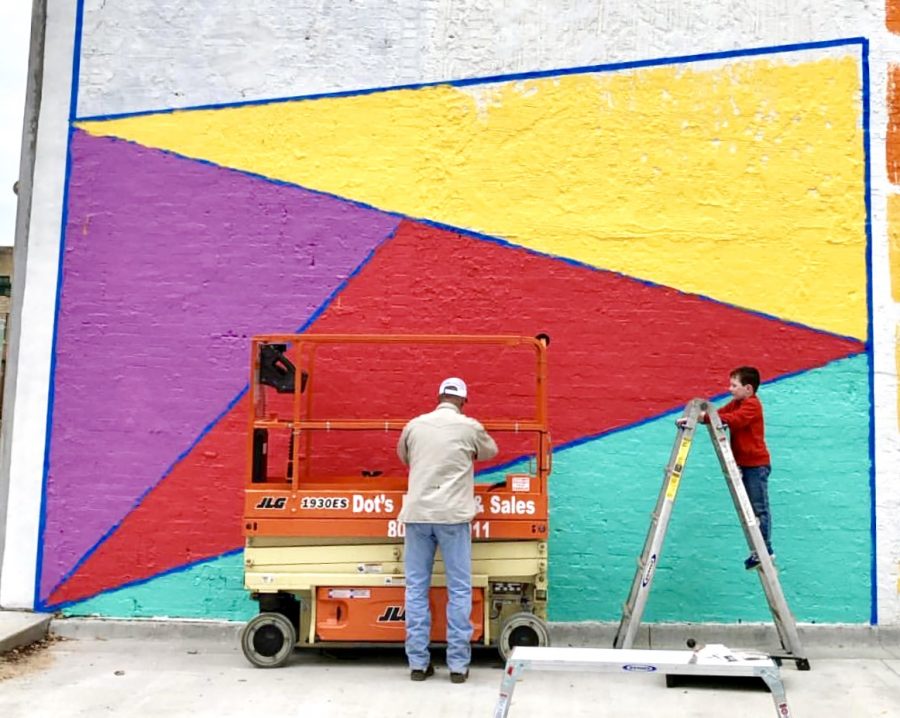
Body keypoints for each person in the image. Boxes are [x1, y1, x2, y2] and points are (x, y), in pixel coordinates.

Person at [396, 377, 498, 683]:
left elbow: (404, 457)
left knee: (416, 588)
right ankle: (457, 666)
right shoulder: (469, 427)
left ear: (438, 396)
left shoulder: (414, 425)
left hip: (417, 515)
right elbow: (491, 451)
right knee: (459, 589)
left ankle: (417, 664)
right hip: (452, 517)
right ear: (463, 401)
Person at [680, 366, 773, 570]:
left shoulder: (752, 405)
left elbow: (734, 420)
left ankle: (765, 551)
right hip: (745, 463)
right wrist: (694, 419)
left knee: (759, 508)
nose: (730, 389)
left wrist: (708, 418)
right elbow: (719, 414)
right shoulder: (738, 403)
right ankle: (760, 550)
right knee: (750, 508)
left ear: (748, 388)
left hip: (756, 465)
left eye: (734, 385)